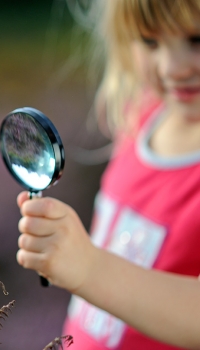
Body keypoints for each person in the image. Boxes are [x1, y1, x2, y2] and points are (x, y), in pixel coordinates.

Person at [15, 0, 200, 349]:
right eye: (149, 41)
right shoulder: (141, 118)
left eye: (196, 40)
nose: (173, 67)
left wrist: (89, 268)